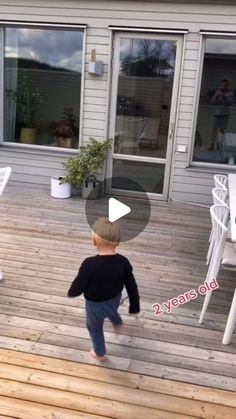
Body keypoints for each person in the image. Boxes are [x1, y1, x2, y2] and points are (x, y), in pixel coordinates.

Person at [67, 217, 140, 362]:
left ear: (94, 241)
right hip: (114, 299)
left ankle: (99, 353)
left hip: (94, 306)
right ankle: (117, 322)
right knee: (111, 310)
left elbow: (79, 283)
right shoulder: (123, 262)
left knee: (94, 327)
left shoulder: (89, 264)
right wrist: (134, 305)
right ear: (117, 241)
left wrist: (72, 292)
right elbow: (131, 285)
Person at [209, 79, 234, 151]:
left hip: (224, 115)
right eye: (223, 85)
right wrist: (217, 96)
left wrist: (225, 97)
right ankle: (212, 144)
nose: (224, 86)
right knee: (214, 130)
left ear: (227, 86)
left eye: (225, 85)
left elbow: (230, 103)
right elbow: (212, 102)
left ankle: (219, 145)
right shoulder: (217, 92)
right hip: (216, 114)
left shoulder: (230, 93)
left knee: (221, 131)